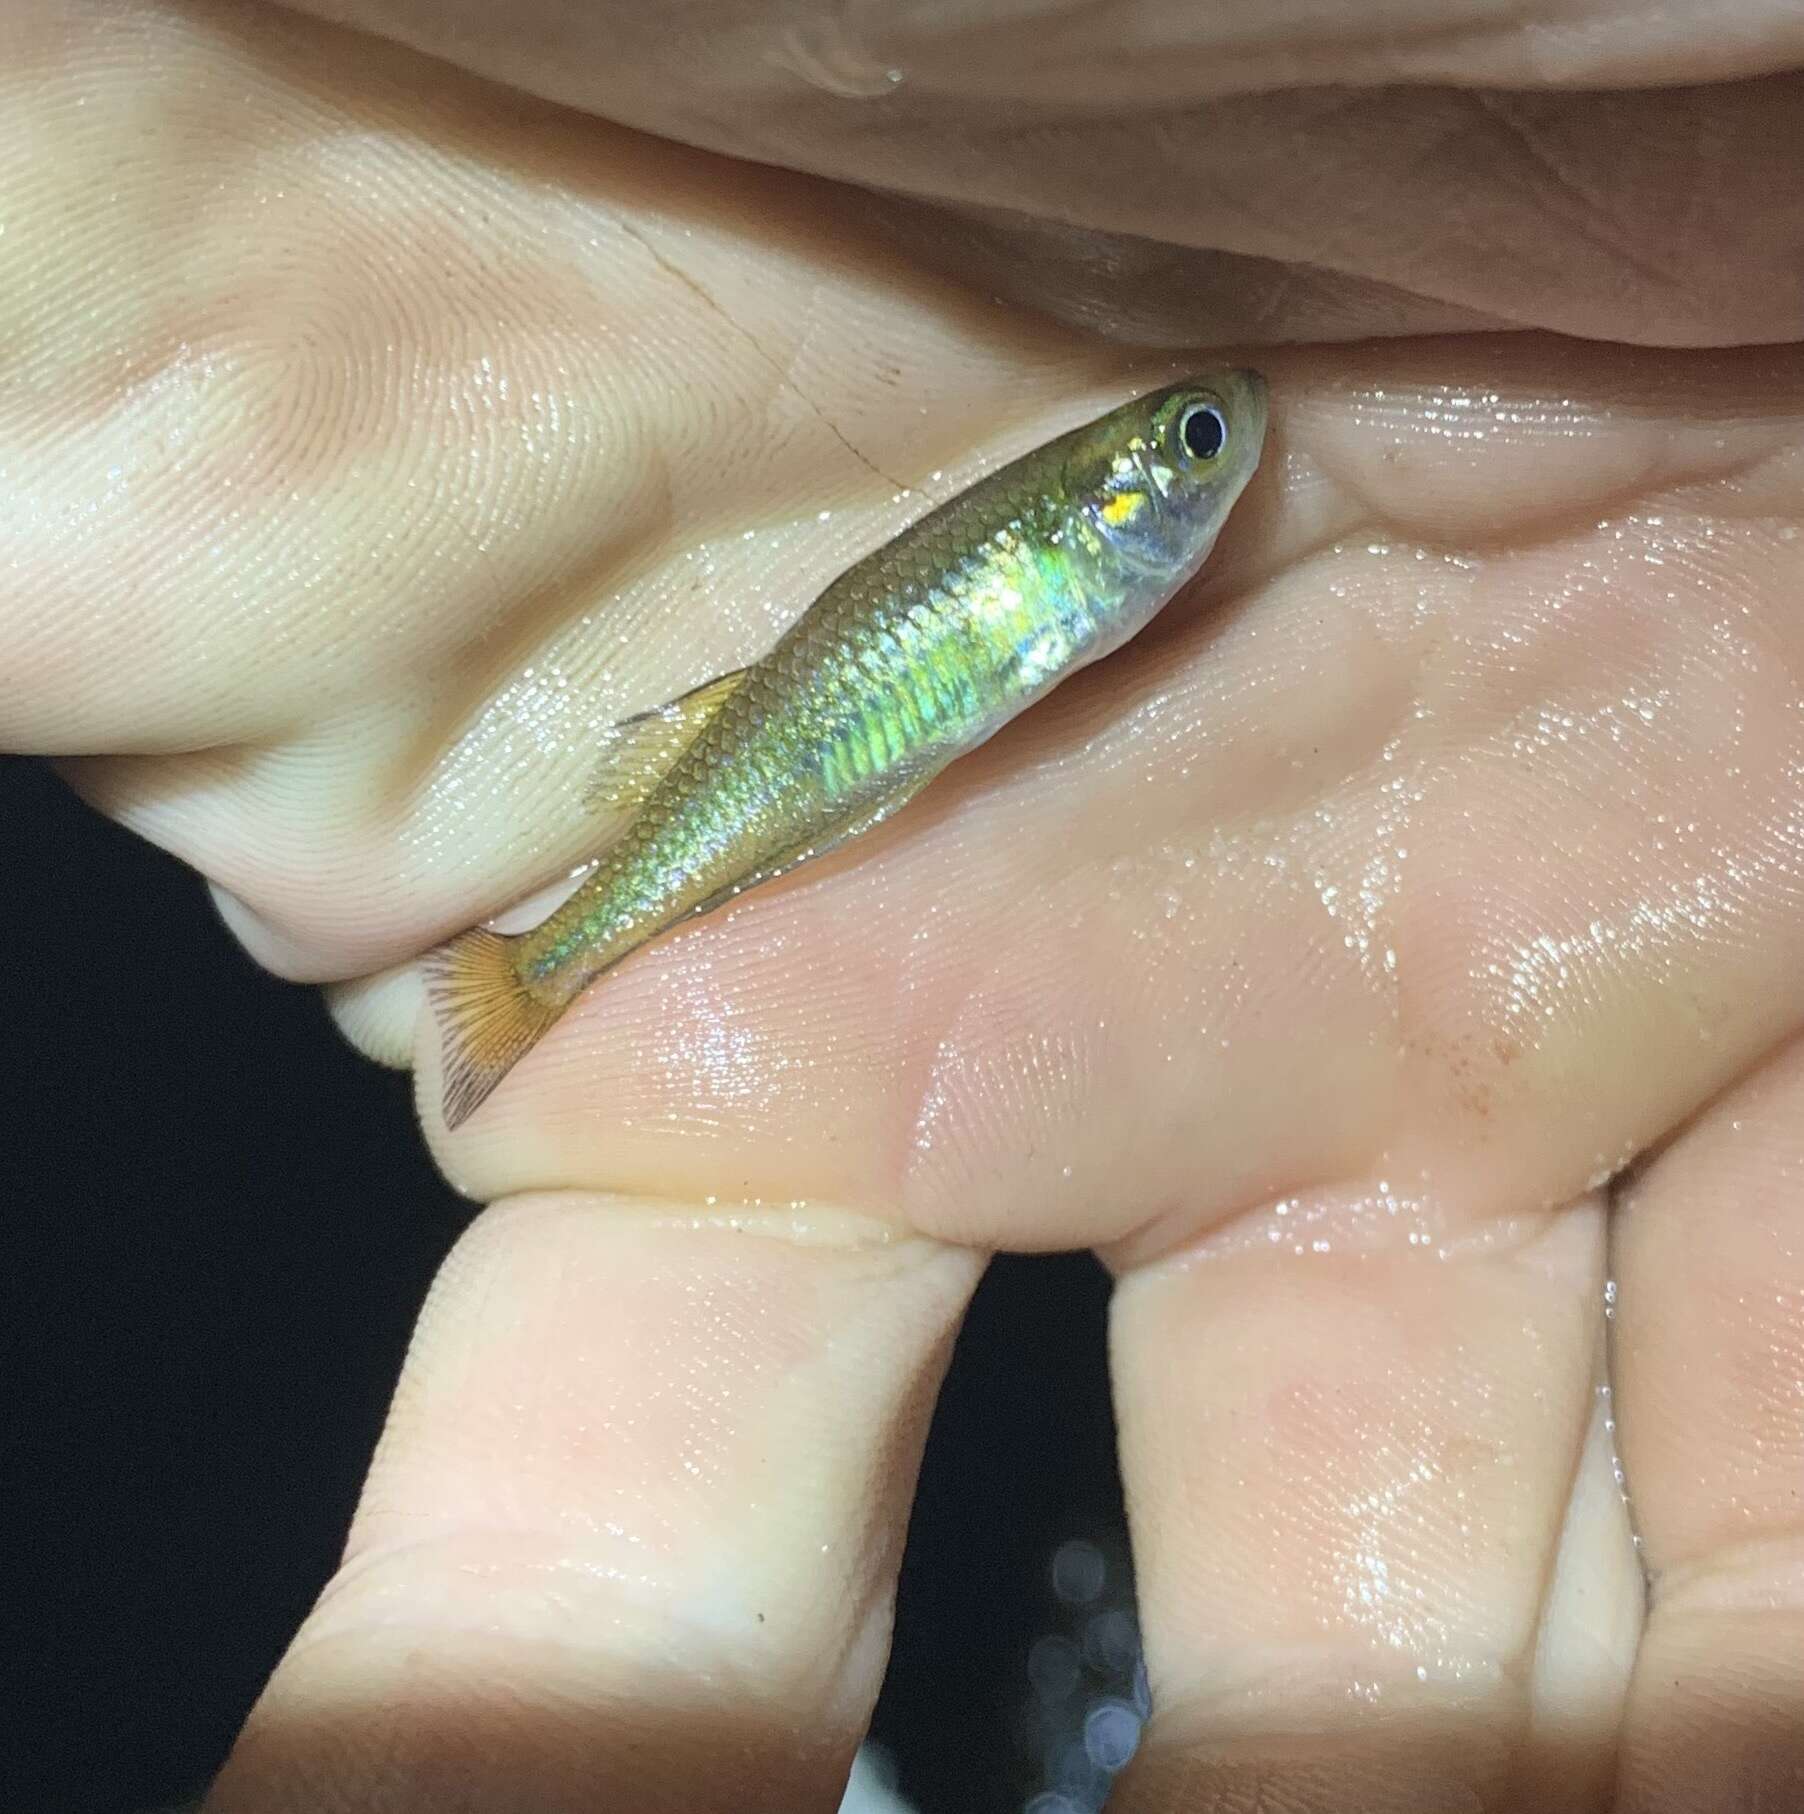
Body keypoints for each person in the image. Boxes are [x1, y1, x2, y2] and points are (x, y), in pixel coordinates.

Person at [8, 1, 1803, 1807]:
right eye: (1184, 448)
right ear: (1109, 506)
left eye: (1190, 445)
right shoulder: (1062, 545)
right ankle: (545, 974)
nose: (1218, 452)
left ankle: (551, 972)